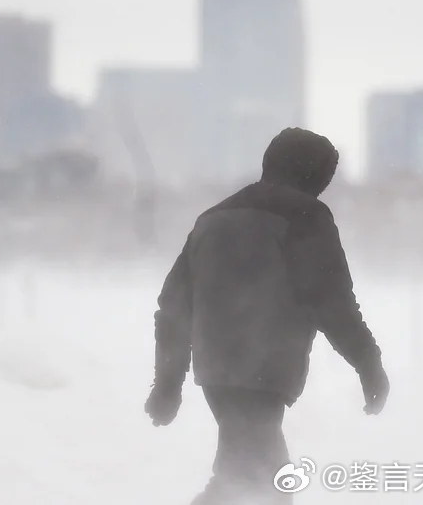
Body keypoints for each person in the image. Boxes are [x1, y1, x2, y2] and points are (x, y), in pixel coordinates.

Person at [144, 127, 390, 504]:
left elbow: (174, 305)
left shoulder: (213, 217)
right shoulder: (307, 216)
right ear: (312, 173)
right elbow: (332, 301)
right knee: (265, 484)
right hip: (263, 371)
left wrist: (167, 384)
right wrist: (369, 365)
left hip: (217, 372)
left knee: (248, 479)